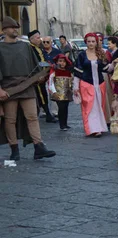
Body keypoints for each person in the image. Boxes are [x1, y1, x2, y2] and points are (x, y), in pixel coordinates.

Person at [0, 17, 56, 160]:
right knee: (10, 119)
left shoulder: (25, 46)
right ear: (4, 30)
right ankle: (14, 150)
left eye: (16, 27)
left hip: (26, 85)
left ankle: (39, 147)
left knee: (32, 117)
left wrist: (40, 77)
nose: (15, 30)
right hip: (8, 88)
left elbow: (36, 66)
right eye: (12, 27)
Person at [73, 33, 109, 137]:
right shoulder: (81, 55)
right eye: (89, 41)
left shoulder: (101, 54)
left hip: (100, 84)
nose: (91, 43)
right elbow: (77, 72)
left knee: (99, 106)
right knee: (89, 106)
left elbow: (106, 68)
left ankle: (100, 127)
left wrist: (115, 65)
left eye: (93, 41)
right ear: (86, 42)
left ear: (96, 42)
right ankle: (92, 129)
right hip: (86, 84)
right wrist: (75, 86)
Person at [28, 30, 58, 123]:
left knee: (43, 94)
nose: (40, 40)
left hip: (42, 74)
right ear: (31, 39)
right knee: (41, 95)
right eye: (37, 38)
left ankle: (46, 113)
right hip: (36, 76)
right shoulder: (30, 49)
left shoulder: (38, 48)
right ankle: (47, 114)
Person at [47, 54, 74, 131]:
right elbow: (51, 82)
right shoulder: (54, 72)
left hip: (66, 93)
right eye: (60, 61)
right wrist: (54, 92)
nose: (62, 63)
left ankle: (65, 123)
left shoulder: (68, 72)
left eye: (64, 61)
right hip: (58, 93)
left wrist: (72, 90)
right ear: (57, 62)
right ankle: (62, 124)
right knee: (61, 108)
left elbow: (71, 82)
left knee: (65, 108)